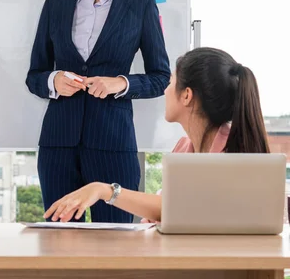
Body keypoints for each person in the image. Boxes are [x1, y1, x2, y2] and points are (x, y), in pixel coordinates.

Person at [25, 0, 170, 223]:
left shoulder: (140, 6)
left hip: (113, 144)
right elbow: (34, 76)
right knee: (60, 242)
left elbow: (161, 77)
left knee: (118, 245)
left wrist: (122, 83)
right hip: (58, 145)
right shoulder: (56, 5)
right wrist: (54, 80)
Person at [44, 47, 270, 223]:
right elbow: (164, 209)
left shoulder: (231, 155)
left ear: (187, 95)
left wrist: (104, 190)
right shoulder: (184, 148)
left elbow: (175, 208)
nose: (164, 90)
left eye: (170, 83)